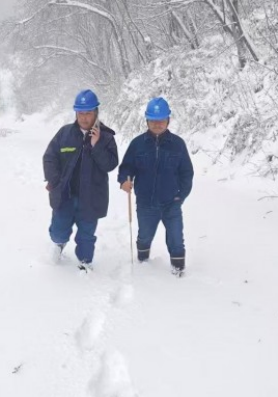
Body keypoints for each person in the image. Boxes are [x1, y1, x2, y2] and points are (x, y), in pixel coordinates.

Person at [117, 97, 194, 276]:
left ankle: (178, 269)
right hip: (145, 203)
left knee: (176, 238)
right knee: (144, 235)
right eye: (153, 120)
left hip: (171, 203)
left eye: (161, 120)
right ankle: (143, 261)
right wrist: (124, 180)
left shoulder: (178, 144)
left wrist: (180, 196)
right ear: (147, 121)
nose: (157, 124)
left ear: (168, 120)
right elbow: (127, 167)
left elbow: (187, 173)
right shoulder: (137, 144)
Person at [43, 89, 118, 271]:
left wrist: (96, 145)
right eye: (81, 113)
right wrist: (54, 182)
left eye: (88, 113)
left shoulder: (106, 138)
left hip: (91, 198)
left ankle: (85, 261)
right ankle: (59, 243)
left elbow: (110, 164)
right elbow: (50, 157)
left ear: (96, 113)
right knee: (59, 228)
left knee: (86, 234)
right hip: (65, 195)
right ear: (76, 113)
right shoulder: (65, 133)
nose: (84, 118)